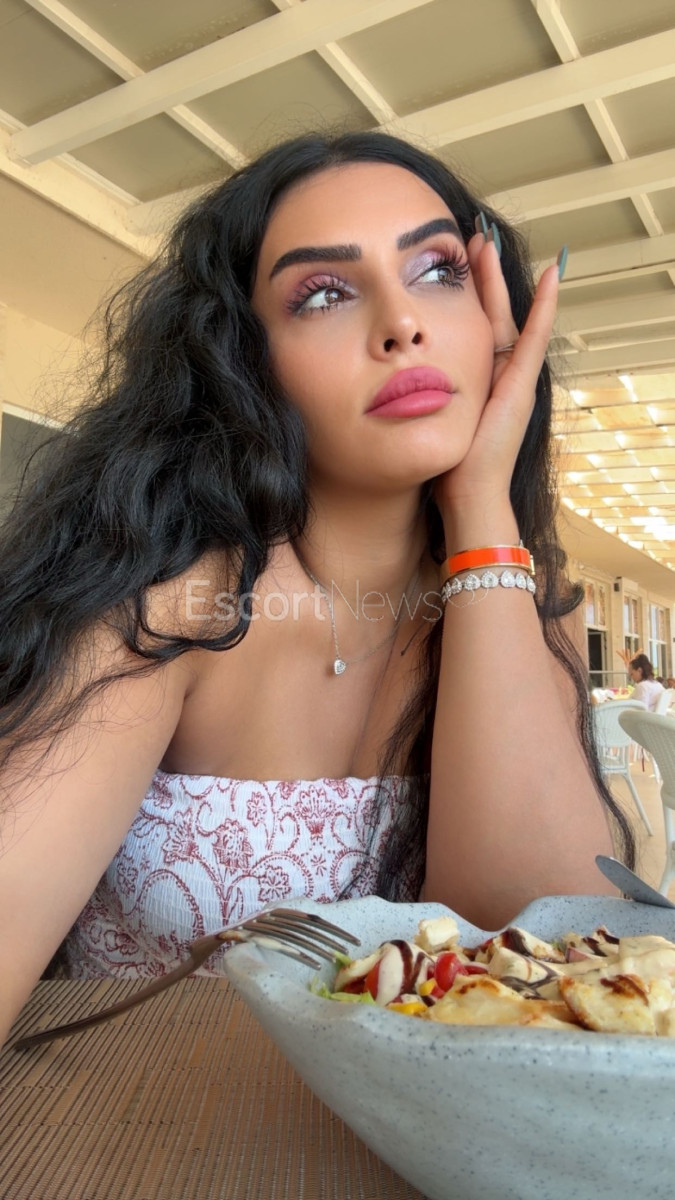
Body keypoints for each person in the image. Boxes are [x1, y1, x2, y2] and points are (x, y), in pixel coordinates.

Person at [0, 130, 626, 1047]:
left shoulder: (530, 606)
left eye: (438, 271)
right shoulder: (166, 603)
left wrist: (481, 508)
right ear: (242, 358)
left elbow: (538, 964)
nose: (401, 323)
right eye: (324, 292)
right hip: (142, 1118)